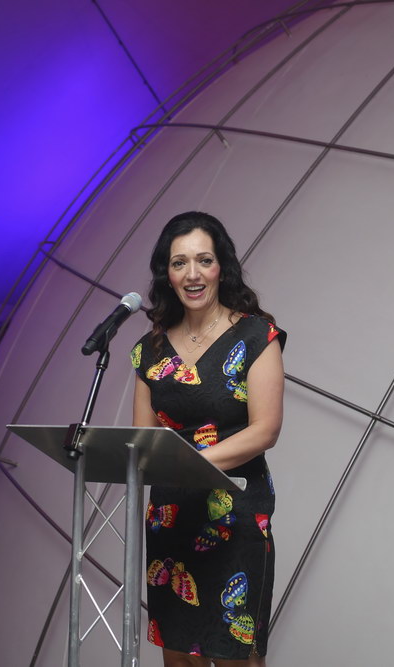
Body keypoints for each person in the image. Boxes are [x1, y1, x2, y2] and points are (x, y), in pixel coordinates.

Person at [131, 211, 286, 666]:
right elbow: (144, 442)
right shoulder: (149, 351)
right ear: (167, 274)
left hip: (236, 512)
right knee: (179, 654)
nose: (192, 274)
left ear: (222, 267)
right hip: (172, 519)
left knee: (236, 654)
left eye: (204, 260)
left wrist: (194, 463)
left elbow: (266, 429)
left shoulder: (257, 335)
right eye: (179, 263)